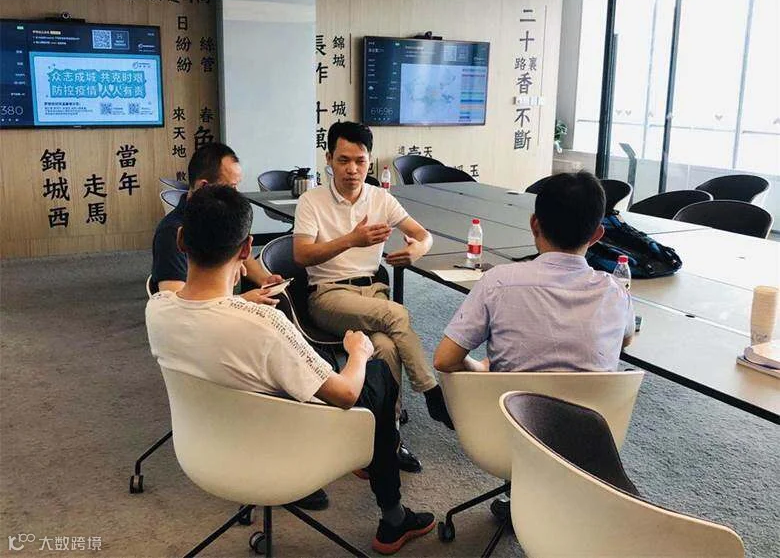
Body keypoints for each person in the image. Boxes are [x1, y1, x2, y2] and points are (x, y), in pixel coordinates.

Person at [145, 186, 435, 554]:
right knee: (377, 373)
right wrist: (358, 353)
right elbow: (345, 394)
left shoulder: (158, 308)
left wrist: (240, 301)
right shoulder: (264, 324)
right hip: (282, 448)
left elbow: (206, 313)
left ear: (181, 240)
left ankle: (379, 471)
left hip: (202, 450)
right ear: (246, 249)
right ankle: (393, 517)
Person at [292, 122, 454, 470]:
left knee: (386, 347)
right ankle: (430, 391)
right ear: (328, 159)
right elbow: (301, 255)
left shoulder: (380, 198)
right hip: (328, 295)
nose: (352, 169)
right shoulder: (311, 201)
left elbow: (423, 235)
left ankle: (387, 438)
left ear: (369, 161)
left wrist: (417, 250)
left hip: (372, 293)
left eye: (360, 161)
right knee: (396, 315)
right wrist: (351, 240)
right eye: (343, 160)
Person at [434, 170, 635, 374]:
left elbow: (445, 361)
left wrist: (480, 367)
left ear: (534, 225)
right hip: (595, 396)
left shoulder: (498, 282)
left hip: (507, 396)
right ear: (597, 235)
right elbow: (624, 340)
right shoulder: (616, 292)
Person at [150, 142, 281, 305]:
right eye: (231, 187)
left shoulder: (222, 217)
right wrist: (241, 301)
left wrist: (265, 279)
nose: (236, 194)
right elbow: (176, 305)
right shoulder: (171, 232)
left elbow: (239, 251)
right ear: (204, 187)